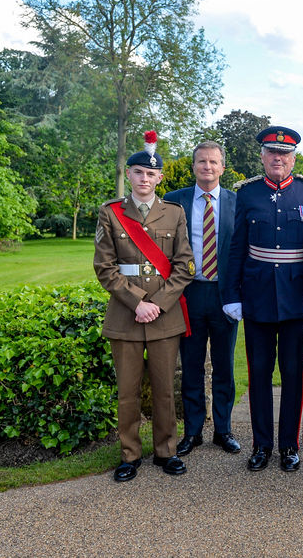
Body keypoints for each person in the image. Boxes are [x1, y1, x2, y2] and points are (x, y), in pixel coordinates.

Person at [222, 126, 303, 474]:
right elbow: (236, 248)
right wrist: (231, 295)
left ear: (294, 157)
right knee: (260, 374)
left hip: (298, 298)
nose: (278, 158)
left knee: (294, 374)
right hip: (257, 297)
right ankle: (262, 444)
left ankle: (289, 446)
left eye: (284, 153)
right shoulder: (247, 194)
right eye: (271, 152)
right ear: (262, 156)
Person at [93, 131, 194, 482]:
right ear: (130, 174)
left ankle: (166, 451)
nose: (145, 179)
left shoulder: (174, 213)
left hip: (164, 317)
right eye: (138, 172)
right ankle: (130, 454)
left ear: (160, 178)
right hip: (126, 315)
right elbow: (104, 268)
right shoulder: (111, 213)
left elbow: (185, 266)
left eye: (151, 174)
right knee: (128, 391)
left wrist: (158, 304)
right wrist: (138, 303)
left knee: (166, 389)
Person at [163, 141, 241, 458]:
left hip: (225, 296)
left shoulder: (238, 203)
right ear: (193, 166)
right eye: (201, 162)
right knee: (192, 365)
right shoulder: (174, 201)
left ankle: (223, 429)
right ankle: (193, 431)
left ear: (222, 167)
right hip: (189, 293)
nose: (207, 167)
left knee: (224, 366)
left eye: (213, 162)